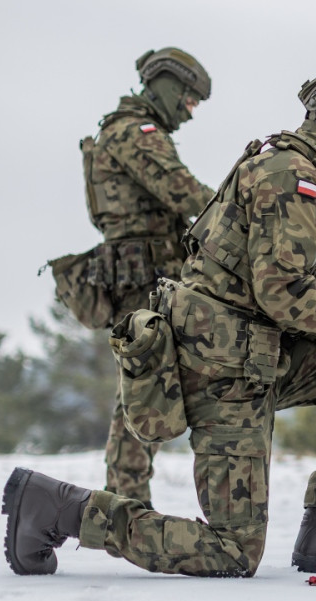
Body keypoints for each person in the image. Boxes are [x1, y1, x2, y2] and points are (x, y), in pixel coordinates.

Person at [3, 70, 316, 577]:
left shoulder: (306, 175)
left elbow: (282, 300)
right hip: (223, 371)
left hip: (256, 355)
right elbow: (283, 291)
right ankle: (55, 507)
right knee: (233, 551)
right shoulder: (292, 175)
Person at [73, 47, 217, 508]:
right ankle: (126, 497)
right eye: (190, 100)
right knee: (144, 384)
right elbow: (184, 189)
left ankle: (126, 494)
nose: (190, 112)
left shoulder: (122, 129)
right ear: (169, 86)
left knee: (144, 382)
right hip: (143, 277)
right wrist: (240, 211)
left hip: (143, 272)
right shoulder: (137, 132)